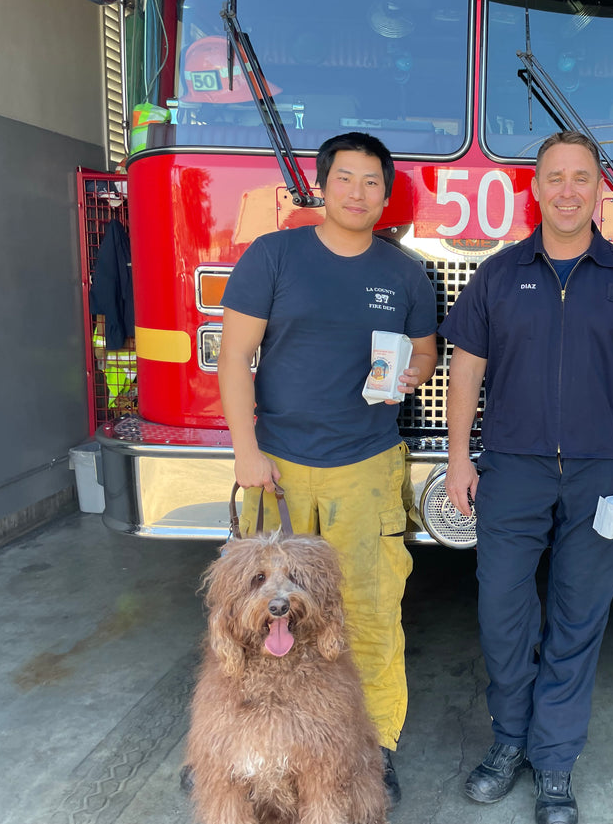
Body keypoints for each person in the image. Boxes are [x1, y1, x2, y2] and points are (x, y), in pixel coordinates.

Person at [440, 131, 613, 824]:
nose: (569, 190)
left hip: (603, 472)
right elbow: (466, 370)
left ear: (598, 187)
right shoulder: (498, 272)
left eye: (582, 177)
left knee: (579, 618)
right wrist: (460, 456)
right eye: (555, 178)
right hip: (511, 468)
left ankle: (553, 762)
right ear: (537, 188)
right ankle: (508, 741)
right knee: (502, 614)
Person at [217, 131, 438, 808]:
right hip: (277, 466)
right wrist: (246, 450)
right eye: (346, 178)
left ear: (386, 194)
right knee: (252, 615)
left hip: (366, 465)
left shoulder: (404, 273)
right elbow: (234, 356)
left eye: (372, 181)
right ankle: (247, 747)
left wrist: (409, 374)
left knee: (370, 612)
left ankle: (374, 747)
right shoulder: (275, 256)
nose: (358, 192)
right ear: (322, 184)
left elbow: (426, 356)